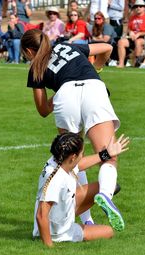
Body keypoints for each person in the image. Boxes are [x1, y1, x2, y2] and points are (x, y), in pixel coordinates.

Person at [20, 29, 122, 231]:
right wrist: (98, 68)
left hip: (65, 95)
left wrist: (58, 96)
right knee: (109, 154)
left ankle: (87, 220)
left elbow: (42, 110)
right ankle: (105, 194)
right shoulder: (68, 46)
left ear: (29, 51)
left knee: (71, 160)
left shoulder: (36, 67)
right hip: (94, 88)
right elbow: (107, 47)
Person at [35, 132, 129, 247]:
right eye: (81, 153)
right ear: (73, 157)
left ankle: (97, 206)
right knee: (109, 231)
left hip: (61, 213)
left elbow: (79, 165)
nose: (82, 156)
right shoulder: (55, 179)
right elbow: (41, 215)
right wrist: (49, 246)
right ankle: (82, 225)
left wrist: (106, 154)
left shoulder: (60, 159)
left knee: (108, 186)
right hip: (59, 232)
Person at [117, 0, 145, 68]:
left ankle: (137, 63)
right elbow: (129, 29)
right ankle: (121, 63)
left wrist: (140, 34)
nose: (138, 8)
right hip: (133, 37)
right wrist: (130, 32)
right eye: (136, 6)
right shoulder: (132, 17)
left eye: (140, 6)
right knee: (121, 42)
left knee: (138, 42)